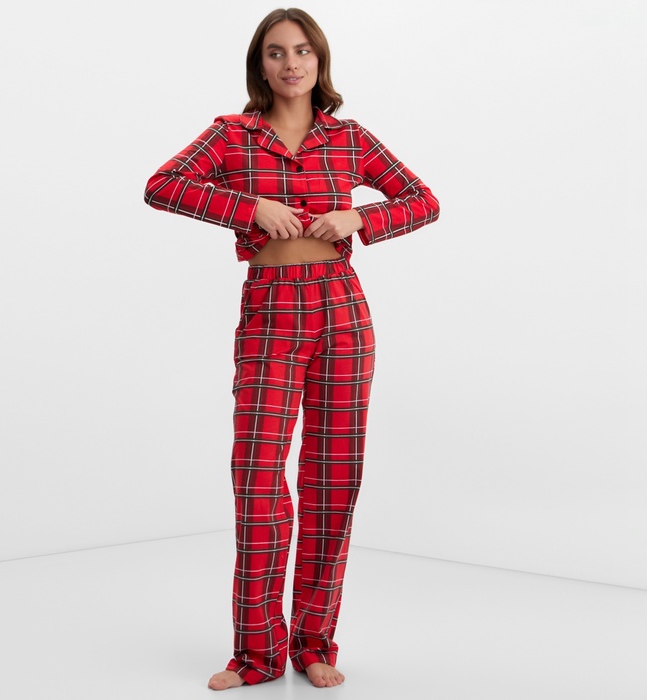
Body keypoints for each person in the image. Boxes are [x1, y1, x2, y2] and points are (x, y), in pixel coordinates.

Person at [144, 7, 439, 691]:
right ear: (261, 64)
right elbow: (161, 186)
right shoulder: (232, 135)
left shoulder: (349, 138)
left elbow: (422, 200)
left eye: (303, 51)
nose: (291, 64)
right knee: (257, 477)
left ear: (320, 60)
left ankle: (313, 642)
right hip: (272, 308)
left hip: (342, 309)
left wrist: (358, 215)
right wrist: (247, 208)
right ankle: (255, 654)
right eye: (276, 52)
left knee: (333, 479)